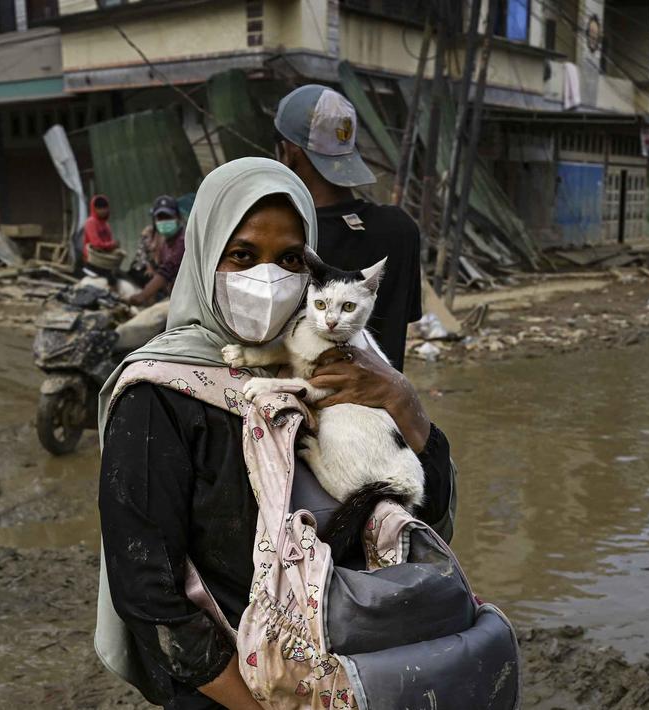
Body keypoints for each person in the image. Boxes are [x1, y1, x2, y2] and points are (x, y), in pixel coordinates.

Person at [97, 158, 454, 709]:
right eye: (242, 255)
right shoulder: (160, 395)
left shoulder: (338, 371)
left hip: (350, 675)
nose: (269, 277)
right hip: (231, 692)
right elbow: (149, 594)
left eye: (290, 258)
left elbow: (422, 518)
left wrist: (402, 403)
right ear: (204, 256)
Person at [274, 84, 422, 371]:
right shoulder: (402, 230)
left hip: (307, 409)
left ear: (288, 151)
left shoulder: (289, 237)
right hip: (386, 408)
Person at [127, 194, 185, 307]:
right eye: (160, 218)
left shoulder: (182, 240)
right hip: (173, 294)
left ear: (177, 217)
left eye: (168, 217)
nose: (164, 222)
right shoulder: (166, 243)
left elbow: (166, 271)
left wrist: (142, 295)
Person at [83, 194, 121, 275]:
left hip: (105, 258)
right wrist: (112, 244)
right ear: (94, 209)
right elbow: (96, 244)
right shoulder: (91, 222)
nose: (103, 210)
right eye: (99, 208)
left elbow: (109, 241)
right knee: (112, 280)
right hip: (94, 260)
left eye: (105, 208)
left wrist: (113, 246)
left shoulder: (106, 224)